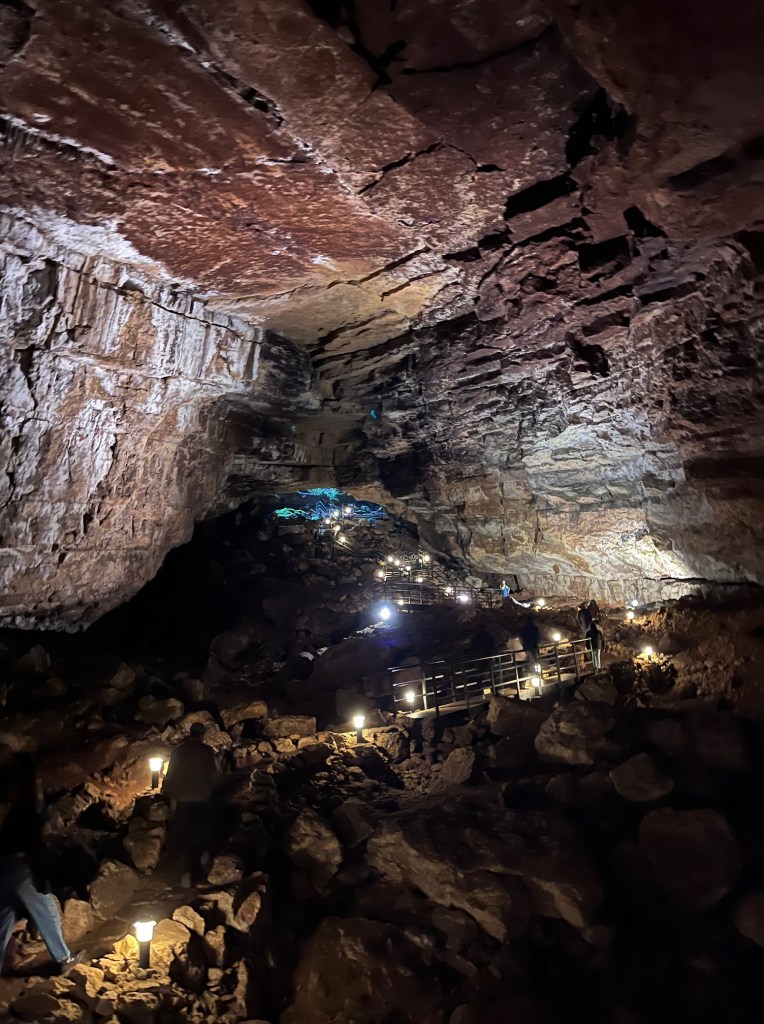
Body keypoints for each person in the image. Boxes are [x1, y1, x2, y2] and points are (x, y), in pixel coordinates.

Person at [0, 754, 83, 976]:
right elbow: (32, 840)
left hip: (4, 866)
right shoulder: (28, 805)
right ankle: (64, 958)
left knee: (4, 918)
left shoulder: (10, 803)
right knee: (46, 911)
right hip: (22, 867)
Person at [162, 723, 219, 887]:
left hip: (184, 799)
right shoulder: (207, 751)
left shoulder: (178, 751)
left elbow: (170, 776)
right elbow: (213, 775)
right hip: (203, 797)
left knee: (186, 835)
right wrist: (211, 790)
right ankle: (203, 861)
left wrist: (171, 794)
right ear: (202, 735)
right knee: (204, 830)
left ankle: (186, 873)